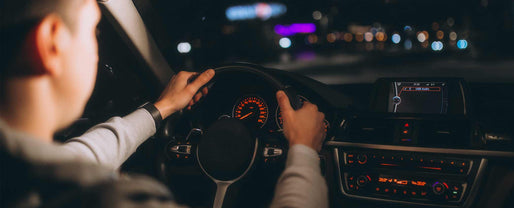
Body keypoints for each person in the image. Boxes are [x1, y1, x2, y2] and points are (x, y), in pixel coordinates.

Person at [0, 0, 328, 207]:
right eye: (93, 32)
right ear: (51, 42)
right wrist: (303, 153)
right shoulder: (115, 200)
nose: (97, 53)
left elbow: (75, 157)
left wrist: (162, 108)